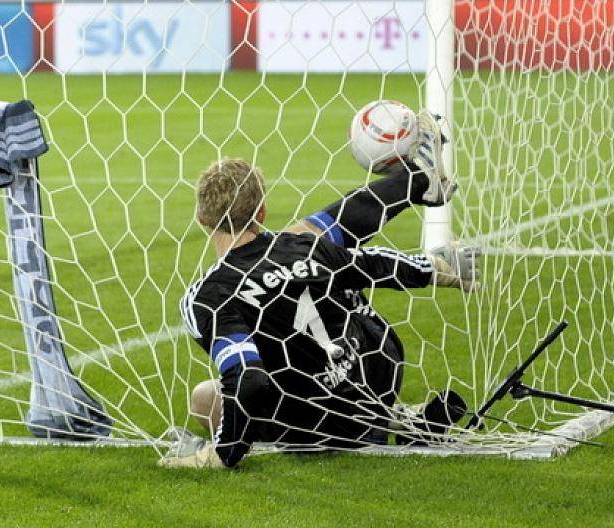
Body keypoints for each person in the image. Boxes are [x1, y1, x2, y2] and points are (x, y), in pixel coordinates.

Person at [161, 112, 479, 469]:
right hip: (378, 375)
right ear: (261, 213)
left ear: (202, 219)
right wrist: (434, 268)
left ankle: (369, 423)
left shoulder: (207, 296)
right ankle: (393, 417)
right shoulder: (304, 246)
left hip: (312, 425)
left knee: (204, 398)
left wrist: (221, 455)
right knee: (312, 248)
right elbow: (375, 264)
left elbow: (249, 380)